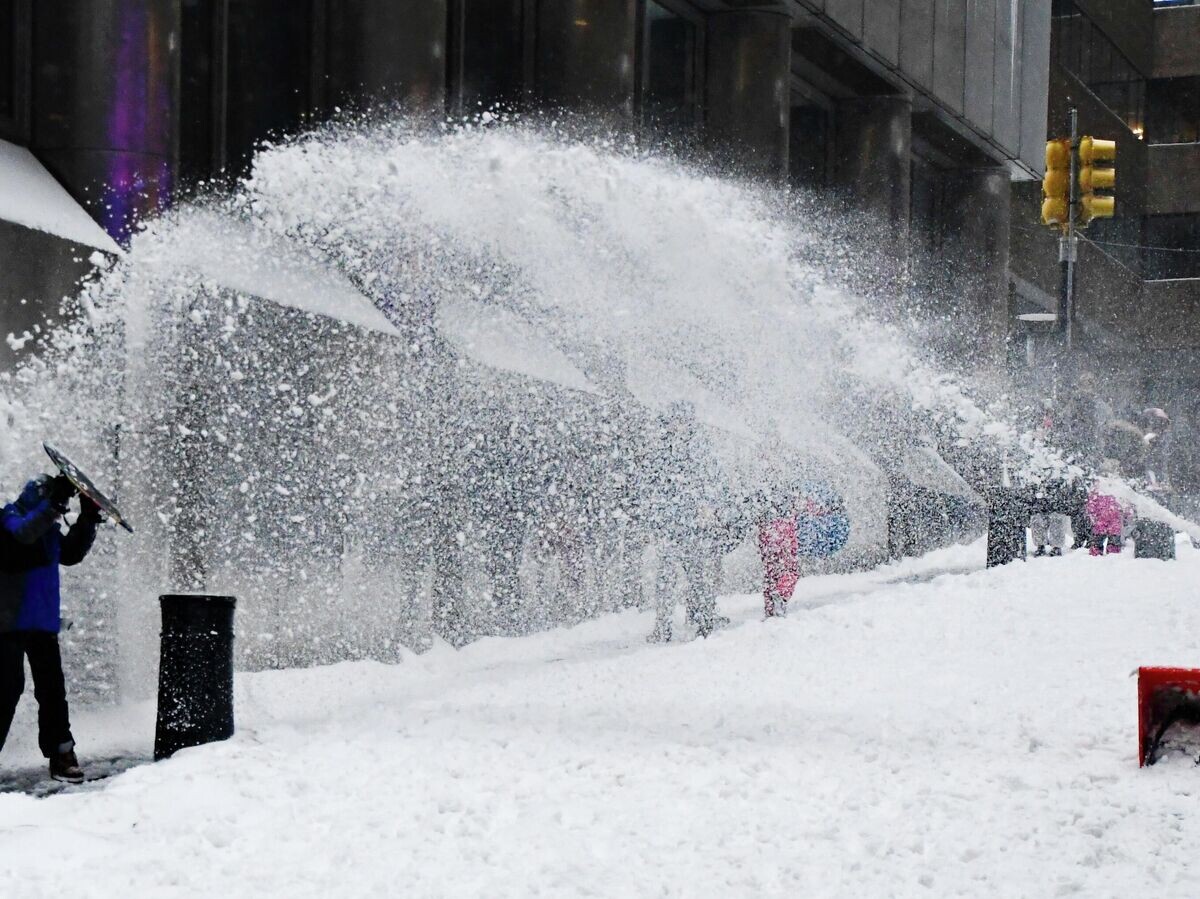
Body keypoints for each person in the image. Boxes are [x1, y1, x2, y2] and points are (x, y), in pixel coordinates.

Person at [0, 473, 103, 783]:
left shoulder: (47, 529)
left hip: (42, 624)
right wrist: (54, 504)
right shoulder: (8, 519)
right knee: (6, 689)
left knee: (52, 690)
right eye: (51, 496)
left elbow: (71, 554)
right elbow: (22, 535)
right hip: (6, 624)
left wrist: (88, 517)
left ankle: (61, 753)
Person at [644, 402, 730, 642]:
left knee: (698, 578)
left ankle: (703, 621)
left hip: (694, 527)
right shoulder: (663, 451)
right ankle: (664, 627)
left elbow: (715, 482)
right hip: (671, 527)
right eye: (675, 420)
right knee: (666, 580)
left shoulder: (699, 450)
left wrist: (709, 506)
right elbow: (651, 486)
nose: (678, 425)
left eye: (681, 421)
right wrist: (655, 519)